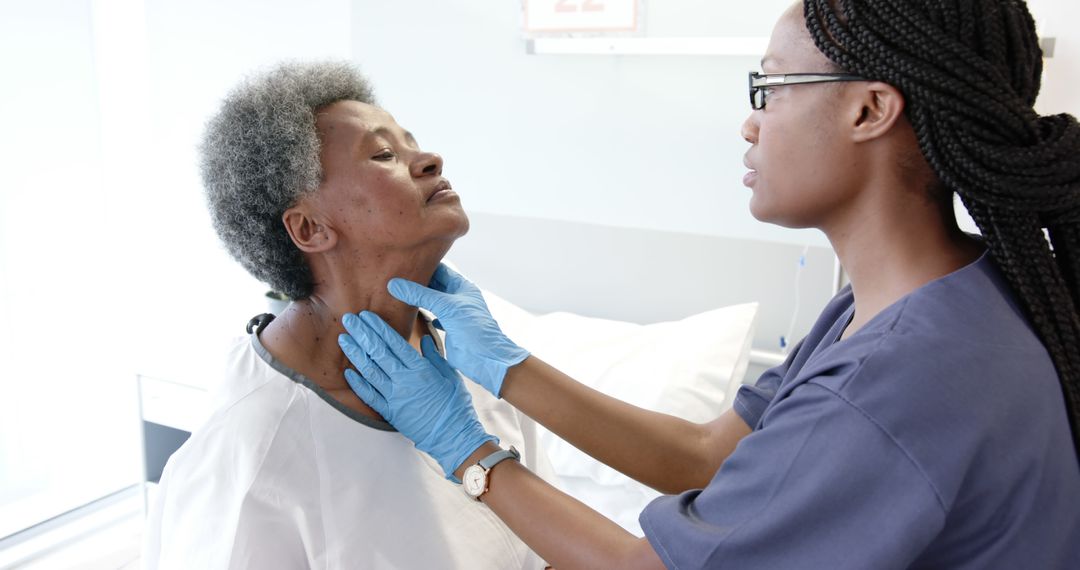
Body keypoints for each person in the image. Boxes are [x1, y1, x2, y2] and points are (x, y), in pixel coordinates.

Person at [338, 1, 1080, 568]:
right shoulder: (920, 297)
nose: (750, 126)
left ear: (869, 109)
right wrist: (507, 366)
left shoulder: (893, 387)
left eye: (772, 89)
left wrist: (468, 453)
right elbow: (706, 454)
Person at [143, 61, 555, 569]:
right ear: (311, 229)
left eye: (411, 142)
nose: (429, 159)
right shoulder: (252, 452)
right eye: (384, 154)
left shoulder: (478, 365)